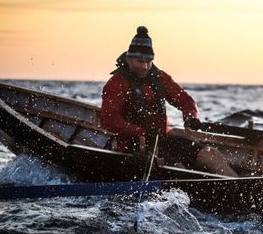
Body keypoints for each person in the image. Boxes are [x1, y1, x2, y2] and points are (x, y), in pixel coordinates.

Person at [100, 26, 237, 177]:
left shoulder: (160, 78)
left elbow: (186, 100)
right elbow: (108, 120)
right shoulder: (116, 83)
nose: (145, 66)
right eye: (140, 61)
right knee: (176, 165)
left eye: (149, 61)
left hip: (161, 139)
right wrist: (142, 131)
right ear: (128, 59)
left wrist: (191, 117)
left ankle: (237, 183)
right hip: (130, 143)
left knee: (210, 153)